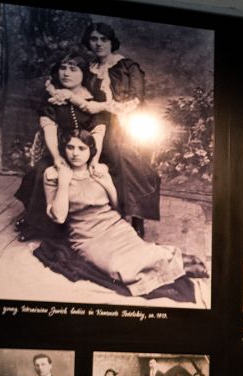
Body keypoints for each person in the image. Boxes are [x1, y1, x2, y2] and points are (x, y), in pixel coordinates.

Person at [41, 130, 207, 301]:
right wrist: (63, 182)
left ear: (91, 150)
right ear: (64, 148)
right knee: (116, 266)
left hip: (113, 226)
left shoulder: (100, 170)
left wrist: (106, 183)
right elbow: (59, 217)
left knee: (140, 252)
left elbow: (116, 207)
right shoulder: (52, 175)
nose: (75, 153)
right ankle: (180, 265)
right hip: (87, 236)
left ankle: (175, 260)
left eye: (82, 148)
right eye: (70, 147)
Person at [14, 48, 107, 241]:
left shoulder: (96, 99)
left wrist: (94, 160)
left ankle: (101, 222)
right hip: (63, 150)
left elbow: (99, 131)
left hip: (90, 151)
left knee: (113, 170)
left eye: (73, 69)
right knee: (39, 173)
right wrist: (57, 158)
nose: (66, 73)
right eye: (63, 68)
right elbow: (49, 130)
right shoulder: (52, 99)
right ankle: (35, 223)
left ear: (84, 73)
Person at [80, 22, 161, 236]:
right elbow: (80, 95)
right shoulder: (89, 69)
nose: (98, 44)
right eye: (94, 39)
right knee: (93, 151)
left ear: (111, 42)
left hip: (127, 119)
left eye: (103, 39)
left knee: (127, 156)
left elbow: (137, 98)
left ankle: (136, 217)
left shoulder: (128, 66)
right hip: (96, 121)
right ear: (89, 42)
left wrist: (114, 112)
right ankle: (107, 214)